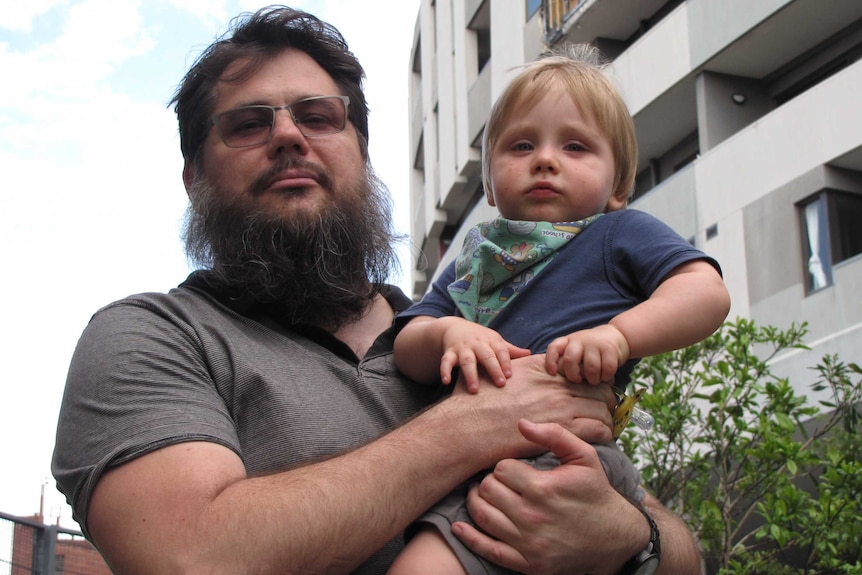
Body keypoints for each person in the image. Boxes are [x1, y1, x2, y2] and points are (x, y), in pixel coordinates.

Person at [50, 6, 707, 575]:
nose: (288, 135)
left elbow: (677, 549)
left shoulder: (478, 310)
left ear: (360, 154)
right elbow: (190, 556)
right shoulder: (150, 340)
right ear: (194, 176)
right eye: (249, 124)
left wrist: (629, 540)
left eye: (319, 115)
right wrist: (475, 425)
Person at [388, 45, 730, 575]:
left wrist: (619, 336)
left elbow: (705, 291)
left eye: (575, 146)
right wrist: (448, 332)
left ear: (618, 185)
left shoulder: (619, 233)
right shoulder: (474, 261)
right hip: (463, 462)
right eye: (522, 145)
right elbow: (406, 347)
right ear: (489, 186)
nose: (545, 159)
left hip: (561, 458)